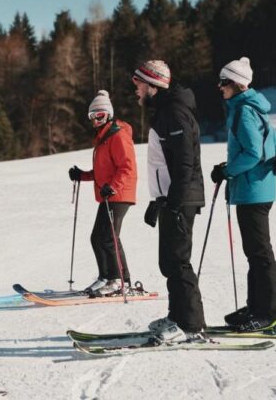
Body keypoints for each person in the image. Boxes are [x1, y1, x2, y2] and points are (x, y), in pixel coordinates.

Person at [210, 57, 276, 332]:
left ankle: (270, 313)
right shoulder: (254, 107)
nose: (219, 87)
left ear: (236, 83)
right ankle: (256, 306)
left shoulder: (245, 110)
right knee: (255, 252)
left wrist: (228, 171)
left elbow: (253, 153)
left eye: (223, 82)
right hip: (257, 189)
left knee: (259, 253)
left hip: (252, 190)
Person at [133, 60, 206, 342]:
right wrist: (159, 201)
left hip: (182, 198)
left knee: (178, 261)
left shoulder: (174, 113)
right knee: (169, 262)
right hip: (173, 197)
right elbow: (165, 163)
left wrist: (173, 202)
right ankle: (178, 317)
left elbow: (185, 162)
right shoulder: (166, 111)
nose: (136, 89)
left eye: (138, 83)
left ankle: (190, 325)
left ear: (153, 84)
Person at [69, 90, 137, 296]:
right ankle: (108, 277)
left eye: (99, 115)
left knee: (107, 237)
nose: (95, 120)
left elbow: (127, 167)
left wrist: (113, 186)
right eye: (92, 116)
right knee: (100, 237)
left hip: (119, 194)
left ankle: (117, 280)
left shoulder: (117, 136)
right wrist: (82, 175)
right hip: (110, 194)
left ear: (108, 114)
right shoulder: (103, 139)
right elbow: (102, 172)